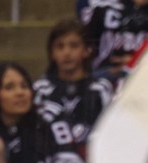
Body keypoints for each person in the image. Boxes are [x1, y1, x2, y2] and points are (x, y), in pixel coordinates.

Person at [33, 18, 112, 150]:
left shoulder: (101, 89)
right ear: (52, 53)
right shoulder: (40, 90)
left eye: (74, 46)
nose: (66, 53)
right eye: (60, 46)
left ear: (87, 50)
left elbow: (110, 132)